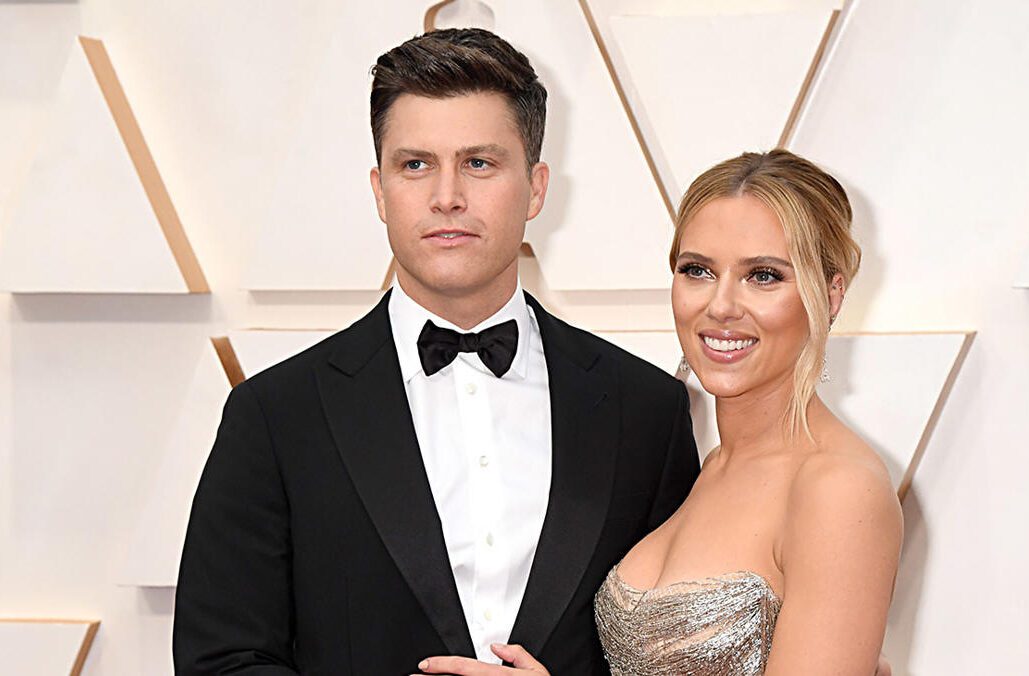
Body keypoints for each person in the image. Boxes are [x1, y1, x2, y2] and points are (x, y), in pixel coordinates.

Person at [172, 28, 700, 675]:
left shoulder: (647, 412)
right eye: (415, 164)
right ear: (379, 189)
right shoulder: (275, 417)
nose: (447, 196)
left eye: (479, 163)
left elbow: (676, 659)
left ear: (536, 188)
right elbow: (220, 661)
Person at [417, 150, 902, 675]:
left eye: (763, 276)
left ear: (830, 295)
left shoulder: (838, 488)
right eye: (697, 270)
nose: (720, 305)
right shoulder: (710, 466)